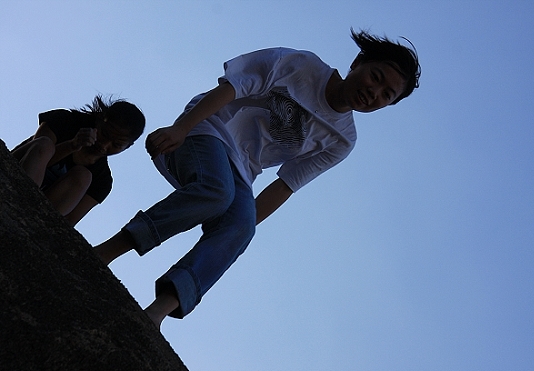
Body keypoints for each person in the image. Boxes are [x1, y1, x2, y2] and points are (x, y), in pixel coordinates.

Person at [95, 29, 421, 330]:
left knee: (241, 225)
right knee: (218, 191)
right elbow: (232, 87)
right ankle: (106, 252)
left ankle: (157, 313)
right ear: (358, 62)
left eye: (387, 95)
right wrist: (181, 128)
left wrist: (237, 227)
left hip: (241, 170)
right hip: (207, 127)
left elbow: (286, 185)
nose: (374, 93)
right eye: (376, 77)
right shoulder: (300, 65)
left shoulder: (342, 140)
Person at [12, 96, 145, 226]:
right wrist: (72, 146)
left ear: (128, 146)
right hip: (15, 175)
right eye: (104, 134)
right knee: (45, 144)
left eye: (116, 145)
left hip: (37, 213)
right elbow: (37, 150)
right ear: (99, 119)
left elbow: (69, 220)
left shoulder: (102, 181)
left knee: (83, 176)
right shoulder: (66, 120)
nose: (104, 145)